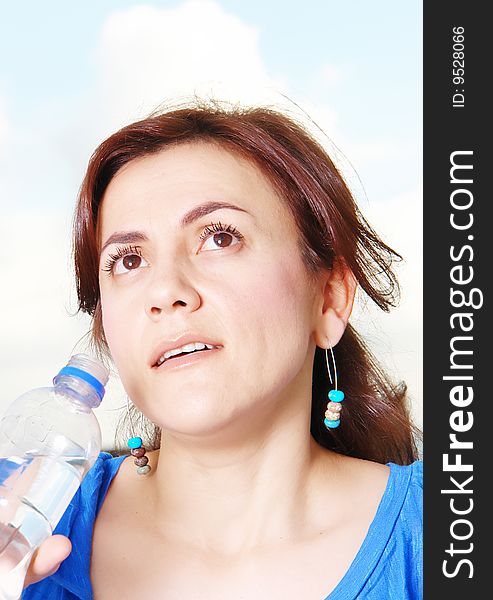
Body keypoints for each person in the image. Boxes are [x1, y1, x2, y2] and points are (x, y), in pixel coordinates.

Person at [22, 100, 422, 599]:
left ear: (330, 298)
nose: (166, 290)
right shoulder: (30, 519)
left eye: (221, 237)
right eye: (127, 260)